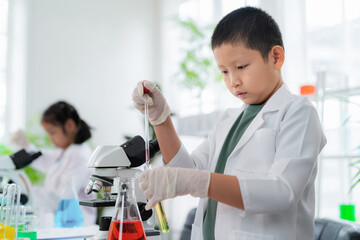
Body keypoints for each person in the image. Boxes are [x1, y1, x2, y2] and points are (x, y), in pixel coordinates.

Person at [132, 6, 326, 240]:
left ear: (276, 57)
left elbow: (282, 191)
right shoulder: (229, 120)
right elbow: (187, 171)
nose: (233, 81)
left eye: (241, 67)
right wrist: (160, 119)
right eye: (224, 71)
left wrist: (198, 182)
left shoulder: (298, 113)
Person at [11, 101, 96, 227]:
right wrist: (26, 146)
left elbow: (62, 197)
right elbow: (43, 158)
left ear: (69, 125)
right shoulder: (66, 153)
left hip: (76, 227)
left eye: (52, 132)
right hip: (62, 225)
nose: (50, 138)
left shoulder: (79, 155)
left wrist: (26, 192)